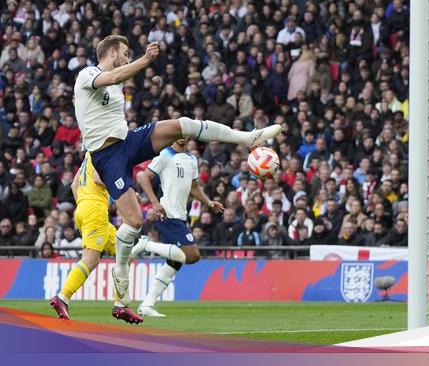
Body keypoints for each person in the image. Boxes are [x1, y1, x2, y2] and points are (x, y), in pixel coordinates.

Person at [74, 35, 280, 313]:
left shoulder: (119, 81)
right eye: (124, 52)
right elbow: (111, 78)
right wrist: (145, 60)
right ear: (111, 52)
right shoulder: (88, 73)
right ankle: (121, 284)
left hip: (127, 142)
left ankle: (248, 138)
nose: (126, 57)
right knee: (133, 222)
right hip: (106, 156)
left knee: (183, 125)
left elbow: (118, 79)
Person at [131, 137, 224, 317]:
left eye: (185, 133)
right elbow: (143, 176)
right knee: (192, 256)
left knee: (174, 262)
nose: (182, 135)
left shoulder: (191, 159)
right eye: (178, 132)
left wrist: (209, 202)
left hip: (180, 216)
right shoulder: (165, 155)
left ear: (189, 136)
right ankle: (146, 245)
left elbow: (194, 187)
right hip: (167, 213)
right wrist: (154, 202)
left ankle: (147, 305)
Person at [48, 153, 139, 322]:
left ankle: (120, 306)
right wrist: (126, 192)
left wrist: (84, 204)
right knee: (91, 260)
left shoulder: (90, 154)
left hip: (87, 208)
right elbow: (98, 178)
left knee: (126, 254)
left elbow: (75, 184)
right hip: (94, 209)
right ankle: (62, 297)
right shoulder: (105, 150)